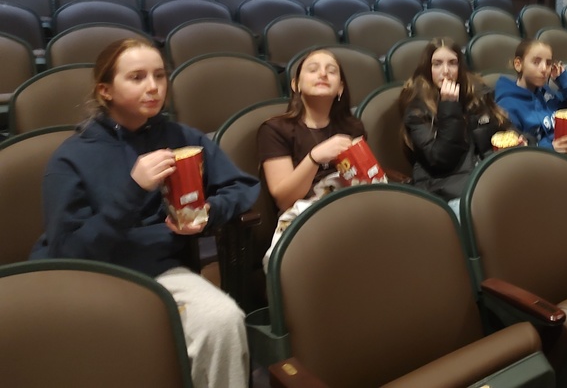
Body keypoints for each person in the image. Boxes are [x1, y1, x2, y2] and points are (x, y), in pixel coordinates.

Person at [32, 39, 259, 388]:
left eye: (159, 76)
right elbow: (68, 252)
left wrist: (207, 213)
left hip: (160, 272)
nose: (153, 87)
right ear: (105, 90)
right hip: (92, 278)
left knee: (223, 318)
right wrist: (134, 188)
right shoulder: (71, 159)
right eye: (136, 77)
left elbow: (242, 187)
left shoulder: (182, 138)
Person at [399, 38, 511, 212]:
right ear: (428, 70)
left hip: (486, 181)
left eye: (452, 63)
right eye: (437, 64)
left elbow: (505, 130)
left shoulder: (475, 95)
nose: (446, 71)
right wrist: (449, 106)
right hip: (446, 192)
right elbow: (442, 159)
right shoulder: (417, 111)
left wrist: (523, 141)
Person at [257, 47, 366, 214]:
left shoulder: (352, 128)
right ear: (296, 84)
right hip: (306, 218)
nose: (323, 74)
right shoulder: (274, 129)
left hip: (353, 208)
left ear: (340, 88)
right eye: (313, 69)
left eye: (331, 71)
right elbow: (284, 200)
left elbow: (365, 182)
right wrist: (314, 158)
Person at [494, 38, 567, 158]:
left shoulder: (546, 92)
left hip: (566, 158)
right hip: (540, 164)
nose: (544, 69)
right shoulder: (507, 104)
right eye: (536, 62)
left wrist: (565, 82)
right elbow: (515, 153)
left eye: (548, 63)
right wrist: (550, 148)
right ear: (518, 64)